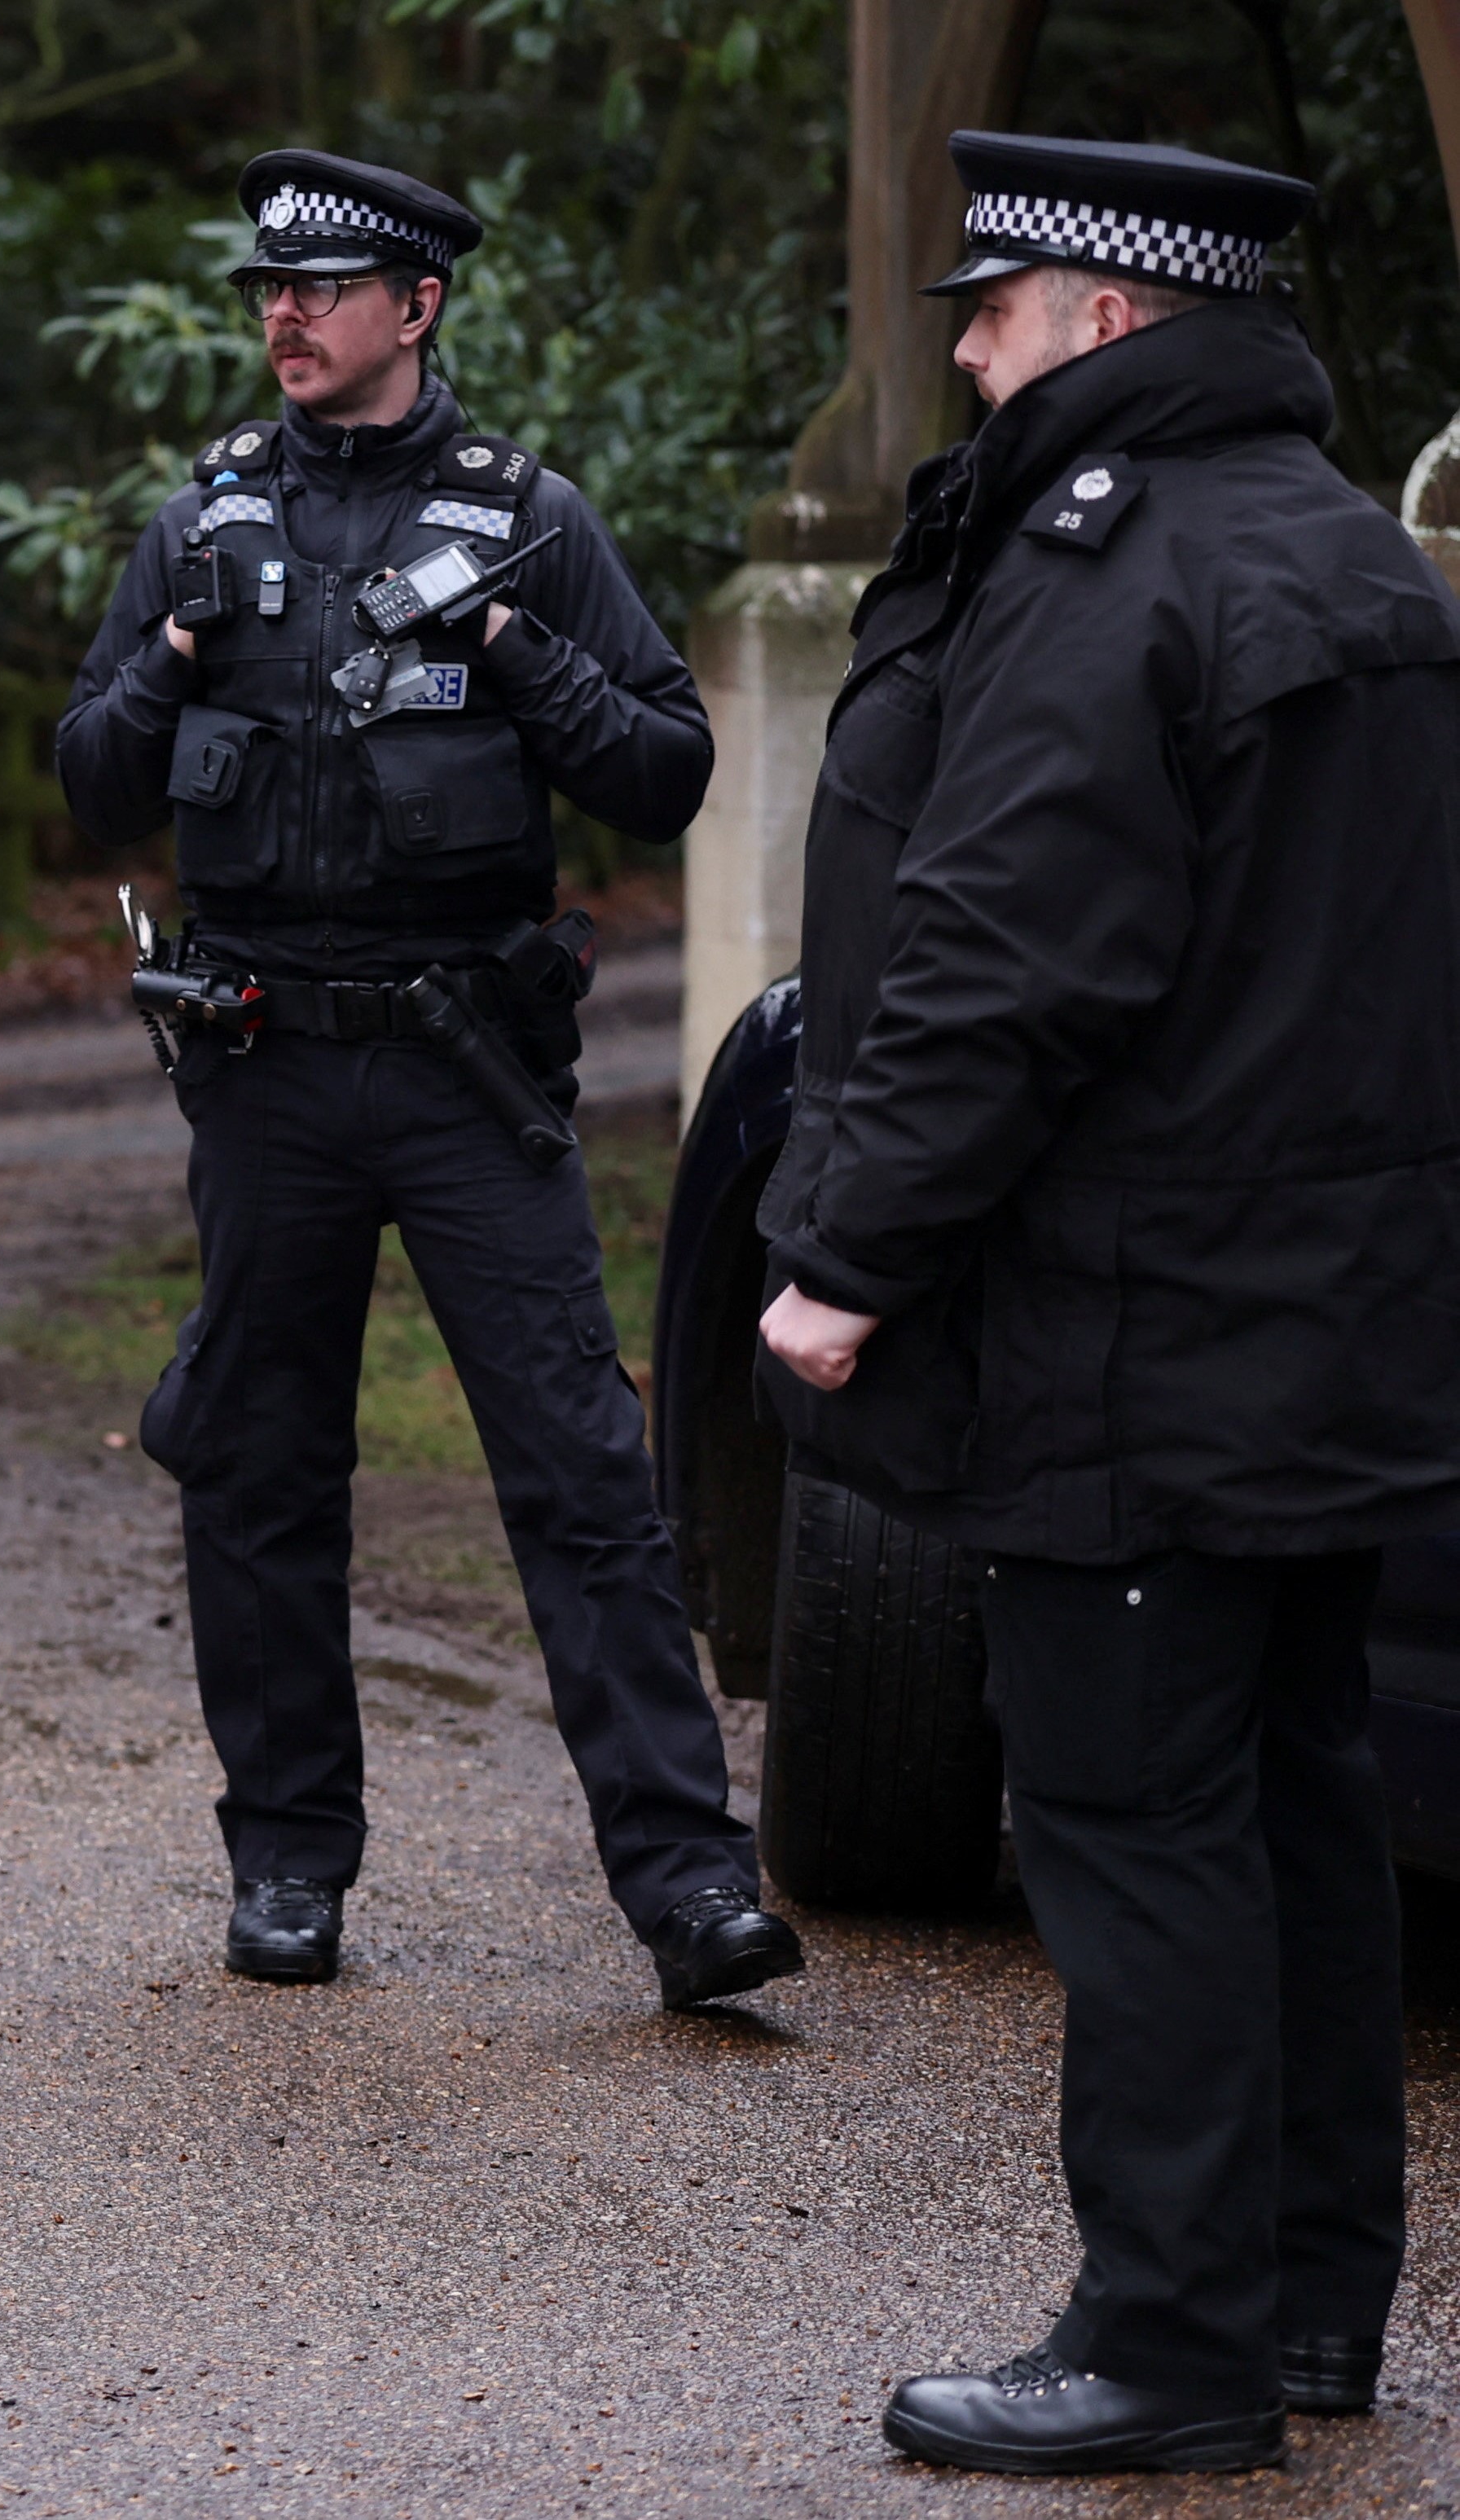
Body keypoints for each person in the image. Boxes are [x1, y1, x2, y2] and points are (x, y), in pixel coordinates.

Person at [754, 134, 1460, 2476]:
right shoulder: (1355, 552)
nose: (960, 345)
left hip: (1135, 1317)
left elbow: (1003, 959)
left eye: (994, 304)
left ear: (1110, 321)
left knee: (1130, 1816)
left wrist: (843, 1252)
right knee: (1286, 1795)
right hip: (1320, 1306)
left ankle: (1162, 2335)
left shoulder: (1115, 562)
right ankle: (1294, 2309)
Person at [57, 152, 798, 2009]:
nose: (281, 316)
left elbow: (663, 770)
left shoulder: (526, 519)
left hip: (467, 1068)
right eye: (266, 290)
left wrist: (509, 642)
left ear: (417, 308)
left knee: (574, 1471)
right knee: (256, 1465)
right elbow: (86, 778)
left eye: (320, 288)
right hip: (263, 1068)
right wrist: (163, 651)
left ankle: (689, 1889)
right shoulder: (201, 519)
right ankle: (290, 1861)